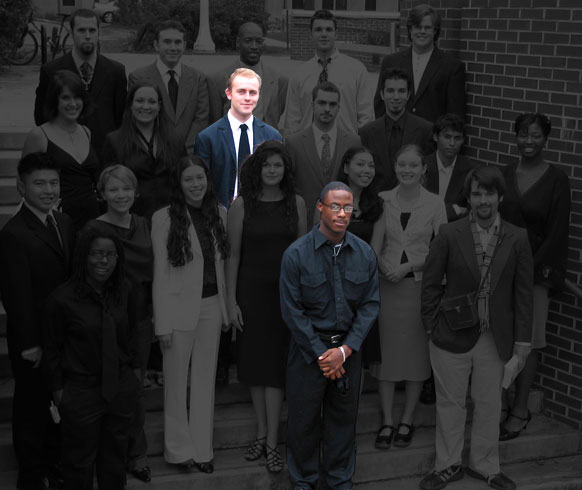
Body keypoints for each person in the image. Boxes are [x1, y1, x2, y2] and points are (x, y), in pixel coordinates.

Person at [420, 166, 533, 490]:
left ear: (500, 197)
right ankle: (448, 465)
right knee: (450, 404)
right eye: (477, 194)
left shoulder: (517, 237)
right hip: (450, 335)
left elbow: (524, 295)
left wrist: (522, 343)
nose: (483, 200)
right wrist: (431, 327)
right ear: (469, 199)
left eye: (489, 193)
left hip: (494, 339)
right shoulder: (448, 233)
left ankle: (484, 465)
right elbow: (430, 285)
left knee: (489, 404)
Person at [280, 181, 380, 490]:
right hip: (308, 352)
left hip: (348, 352)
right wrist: (323, 355)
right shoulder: (295, 255)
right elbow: (291, 311)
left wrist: (345, 351)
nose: (341, 213)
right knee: (303, 422)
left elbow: (370, 305)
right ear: (320, 208)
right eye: (334, 206)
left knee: (342, 423)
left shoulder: (364, 254)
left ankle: (339, 481)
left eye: (347, 207)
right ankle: (303, 482)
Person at [226, 141, 307, 473]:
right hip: (250, 295)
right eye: (266, 165)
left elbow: (303, 254)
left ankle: (273, 441)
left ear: (286, 170)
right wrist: (230, 301)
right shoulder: (241, 204)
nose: (272, 171)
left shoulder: (297, 203)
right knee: (255, 369)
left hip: (285, 296)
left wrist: (302, 298)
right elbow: (232, 255)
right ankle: (261, 432)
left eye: (278, 166)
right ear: (255, 169)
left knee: (275, 372)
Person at [43, 229, 141, 490]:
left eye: (111, 255)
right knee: (78, 464)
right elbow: (52, 350)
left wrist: (132, 377)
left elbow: (133, 333)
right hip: (80, 392)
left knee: (115, 461)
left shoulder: (125, 291)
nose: (104, 261)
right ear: (84, 256)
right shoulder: (62, 300)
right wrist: (59, 392)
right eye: (97, 253)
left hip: (119, 388)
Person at [0, 153, 74, 490]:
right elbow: (16, 296)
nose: (48, 190)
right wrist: (30, 343)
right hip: (32, 340)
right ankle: (30, 475)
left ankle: (54, 463)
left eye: (53, 183)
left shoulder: (64, 222)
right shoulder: (14, 233)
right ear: (21, 186)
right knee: (31, 407)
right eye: (39, 183)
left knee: (57, 403)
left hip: (63, 335)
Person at [151, 156, 229, 473]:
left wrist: (225, 309)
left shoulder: (219, 213)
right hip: (177, 311)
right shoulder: (164, 218)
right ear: (179, 184)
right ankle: (179, 451)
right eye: (188, 179)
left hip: (211, 306)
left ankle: (202, 450)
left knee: (204, 380)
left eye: (200, 178)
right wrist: (162, 323)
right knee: (175, 381)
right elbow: (160, 273)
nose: (196, 185)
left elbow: (221, 269)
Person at [499, 113, 571, 441]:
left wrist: (529, 271)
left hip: (534, 277)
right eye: (523, 135)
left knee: (527, 343)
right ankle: (498, 403)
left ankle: (519, 409)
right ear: (515, 137)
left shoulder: (557, 180)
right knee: (500, 339)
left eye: (536, 136)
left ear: (546, 139)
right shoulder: (504, 174)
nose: (529, 141)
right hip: (501, 272)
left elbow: (557, 233)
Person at [369, 144, 446, 450]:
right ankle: (387, 419)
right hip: (386, 285)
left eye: (413, 165)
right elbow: (375, 244)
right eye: (402, 164)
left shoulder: (435, 203)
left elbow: (441, 249)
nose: (407, 170)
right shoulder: (383, 200)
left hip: (417, 287)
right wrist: (382, 264)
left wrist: (410, 266)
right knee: (387, 356)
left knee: (415, 356)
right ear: (395, 166)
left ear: (423, 169)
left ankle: (408, 418)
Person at [82, 165, 153, 483]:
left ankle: (136, 454)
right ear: (102, 194)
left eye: (126, 188)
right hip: (105, 318)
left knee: (135, 388)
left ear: (135, 192)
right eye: (113, 189)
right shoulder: (91, 229)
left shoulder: (144, 224)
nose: (121, 195)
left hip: (139, 317)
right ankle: (105, 455)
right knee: (105, 389)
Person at [34, 8, 126, 155]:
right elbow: (42, 116)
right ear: (71, 33)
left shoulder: (116, 71)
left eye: (92, 30)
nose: (87, 36)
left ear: (98, 32)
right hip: (66, 156)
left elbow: (121, 116)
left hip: (106, 155)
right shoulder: (51, 71)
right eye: (81, 30)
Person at [195, 68, 283, 209]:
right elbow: (202, 183)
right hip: (220, 213)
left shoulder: (272, 136)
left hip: (262, 212)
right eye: (241, 91)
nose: (247, 97)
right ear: (229, 94)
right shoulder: (208, 137)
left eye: (253, 92)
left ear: (259, 95)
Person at [23, 69, 100, 230]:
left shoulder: (87, 132)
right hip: (55, 222)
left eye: (77, 97)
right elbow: (22, 183)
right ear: (55, 101)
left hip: (91, 218)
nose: (73, 104)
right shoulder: (39, 135)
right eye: (66, 98)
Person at [280, 9, 374, 137]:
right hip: (308, 148)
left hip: (346, 148)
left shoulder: (357, 71)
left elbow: (366, 116)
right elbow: (292, 119)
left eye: (329, 30)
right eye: (318, 30)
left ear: (336, 34)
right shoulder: (299, 74)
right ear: (311, 34)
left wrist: (358, 147)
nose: (324, 34)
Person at [101, 82, 183, 222]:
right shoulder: (114, 141)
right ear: (130, 105)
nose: (146, 106)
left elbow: (182, 178)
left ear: (159, 106)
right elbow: (109, 187)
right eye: (140, 101)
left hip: (171, 218)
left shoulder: (174, 139)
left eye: (152, 102)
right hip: (132, 220)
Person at [373, 4, 465, 123]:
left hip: (431, 139)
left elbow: (455, 116)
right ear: (410, 29)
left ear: (435, 31)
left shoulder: (452, 67)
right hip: (396, 138)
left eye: (427, 27)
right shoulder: (391, 61)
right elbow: (380, 104)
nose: (422, 31)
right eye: (417, 27)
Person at [285, 82, 362, 224]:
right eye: (322, 103)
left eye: (332, 105)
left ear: (338, 108)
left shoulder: (353, 142)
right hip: (305, 223)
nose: (327, 109)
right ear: (313, 105)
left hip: (343, 222)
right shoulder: (294, 143)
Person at [337, 146, 384, 369]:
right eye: (360, 164)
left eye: (371, 165)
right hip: (333, 286)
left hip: (362, 287)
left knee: (357, 356)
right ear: (346, 168)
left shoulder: (377, 207)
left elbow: (374, 250)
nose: (367, 170)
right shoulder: (330, 200)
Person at [129, 20, 209, 151]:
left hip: (188, 155)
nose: (173, 47)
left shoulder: (198, 78)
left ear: (184, 46)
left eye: (177, 42)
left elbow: (201, 119)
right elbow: (137, 119)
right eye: (167, 42)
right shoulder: (138, 77)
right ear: (156, 45)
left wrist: (185, 152)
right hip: (152, 154)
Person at [360, 68, 433, 191]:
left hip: (412, 201)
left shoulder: (425, 130)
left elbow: (428, 172)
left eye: (401, 91)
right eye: (390, 91)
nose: (396, 97)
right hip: (376, 202)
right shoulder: (366, 132)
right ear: (382, 95)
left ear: (408, 95)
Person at [207, 22, 288, 128]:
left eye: (258, 41)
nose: (254, 46)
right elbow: (215, 120)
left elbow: (276, 114)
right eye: (248, 41)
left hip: (266, 142)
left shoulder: (280, 80)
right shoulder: (218, 79)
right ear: (238, 43)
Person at [425, 113, 476, 222]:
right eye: (447, 137)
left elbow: (471, 212)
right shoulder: (421, 166)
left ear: (463, 140)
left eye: (457, 138)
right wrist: (455, 209)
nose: (452, 143)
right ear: (435, 136)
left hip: (454, 236)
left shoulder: (471, 171)